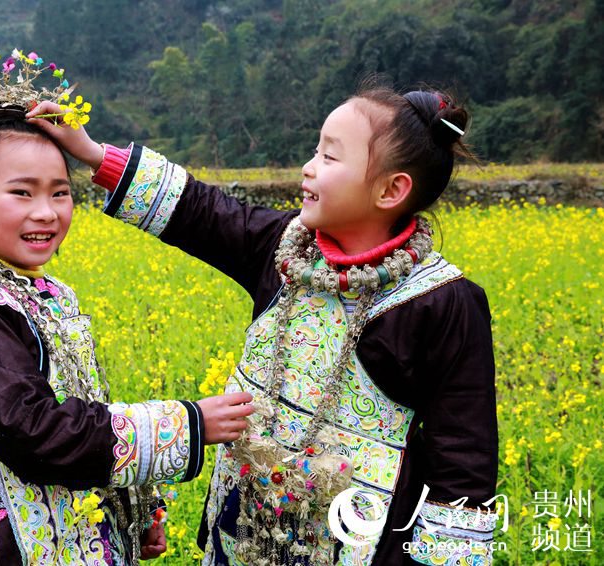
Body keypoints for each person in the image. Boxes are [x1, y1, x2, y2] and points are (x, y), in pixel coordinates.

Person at [27, 84, 500, 565]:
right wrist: (91, 153)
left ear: (391, 189)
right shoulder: (284, 246)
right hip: (244, 519)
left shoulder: (443, 303)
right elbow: (199, 210)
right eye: (316, 150)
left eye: (330, 158)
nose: (309, 167)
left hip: (355, 539)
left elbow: (463, 462)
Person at [0, 60, 255, 565]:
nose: (46, 212)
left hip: (85, 532)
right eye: (21, 193)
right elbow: (37, 433)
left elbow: (86, 402)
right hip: (9, 548)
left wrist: (135, 510)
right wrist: (188, 423)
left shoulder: (53, 294)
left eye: (60, 193)